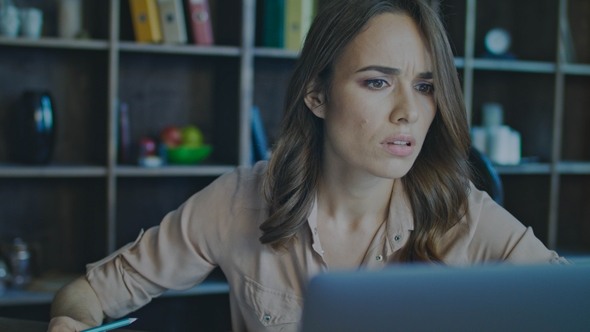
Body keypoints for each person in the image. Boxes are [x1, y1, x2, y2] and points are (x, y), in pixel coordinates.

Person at [48, 0, 568, 331]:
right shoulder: (239, 201)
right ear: (316, 96)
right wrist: (70, 323)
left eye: (426, 87)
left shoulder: (464, 215)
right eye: (377, 81)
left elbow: (569, 304)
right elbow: (89, 293)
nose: (410, 111)